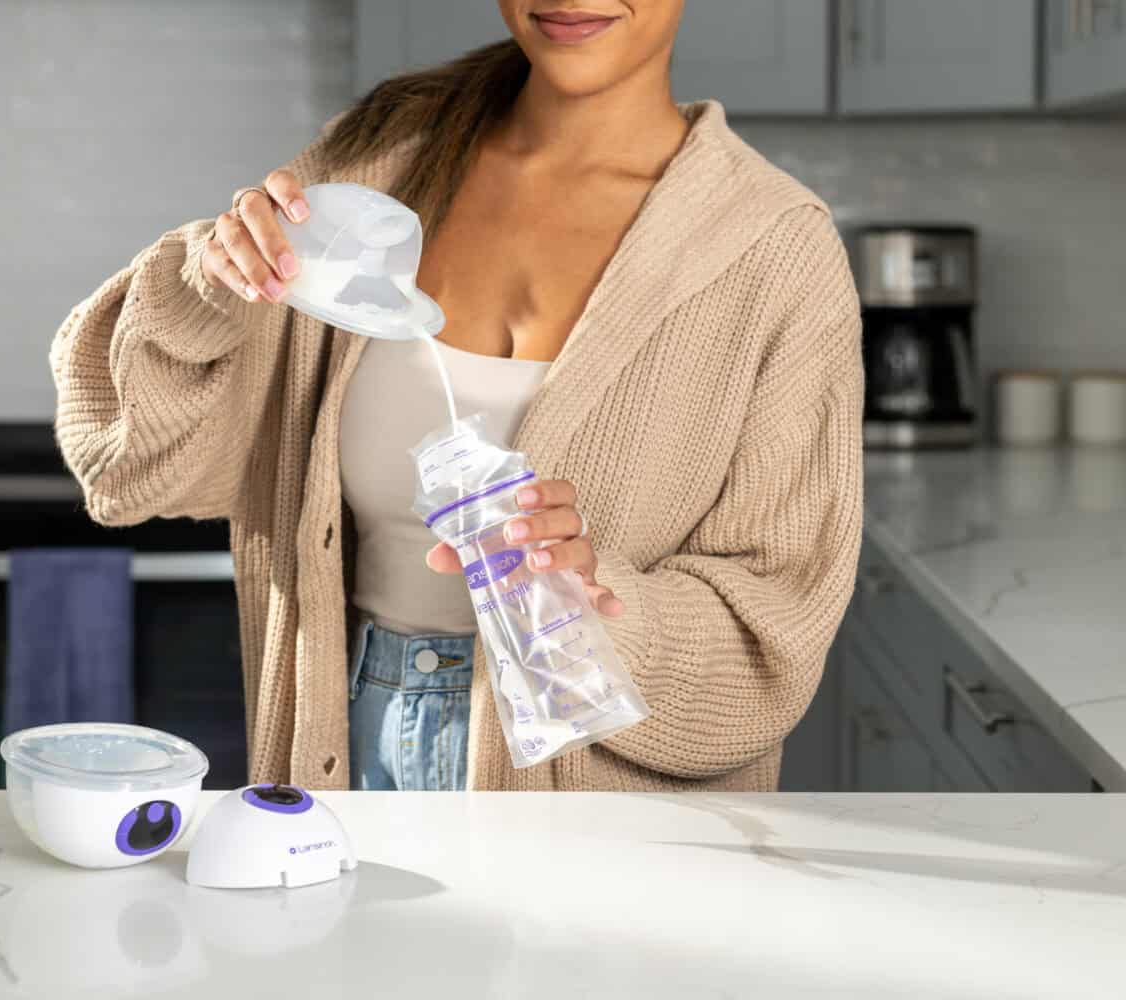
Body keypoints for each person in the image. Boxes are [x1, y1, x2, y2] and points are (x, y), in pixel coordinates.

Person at [50, 1, 863, 793]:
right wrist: (208, 284)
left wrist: (597, 608)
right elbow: (130, 471)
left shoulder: (774, 248)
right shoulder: (367, 180)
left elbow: (775, 630)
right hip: (345, 752)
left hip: (611, 814)